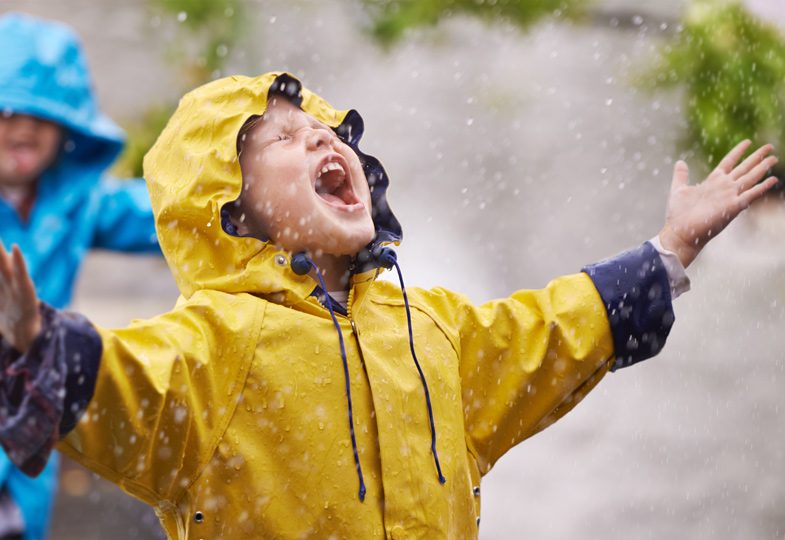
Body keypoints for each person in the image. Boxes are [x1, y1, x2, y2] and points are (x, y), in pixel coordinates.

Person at [0, 72, 778, 539]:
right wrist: (34, 340)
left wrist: (667, 251)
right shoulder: (217, 348)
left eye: (324, 129)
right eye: (281, 139)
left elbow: (547, 330)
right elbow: (125, 382)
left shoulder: (428, 326)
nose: (319, 139)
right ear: (228, 210)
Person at [0, 12, 160, 540]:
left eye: (43, 116)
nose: (23, 125)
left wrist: (252, 207)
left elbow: (159, 216)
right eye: (7, 110)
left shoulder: (76, 202)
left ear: (68, 126)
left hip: (31, 410)